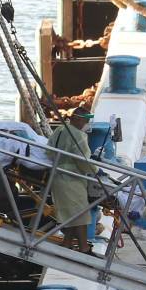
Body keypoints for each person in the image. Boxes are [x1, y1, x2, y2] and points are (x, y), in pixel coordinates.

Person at [46, 107, 97, 254]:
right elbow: (83, 160)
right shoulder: (79, 135)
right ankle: (83, 247)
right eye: (86, 121)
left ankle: (67, 242)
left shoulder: (60, 130)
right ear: (78, 119)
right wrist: (95, 170)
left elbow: (49, 150)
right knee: (81, 213)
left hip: (57, 176)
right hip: (71, 178)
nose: (87, 124)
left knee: (70, 214)